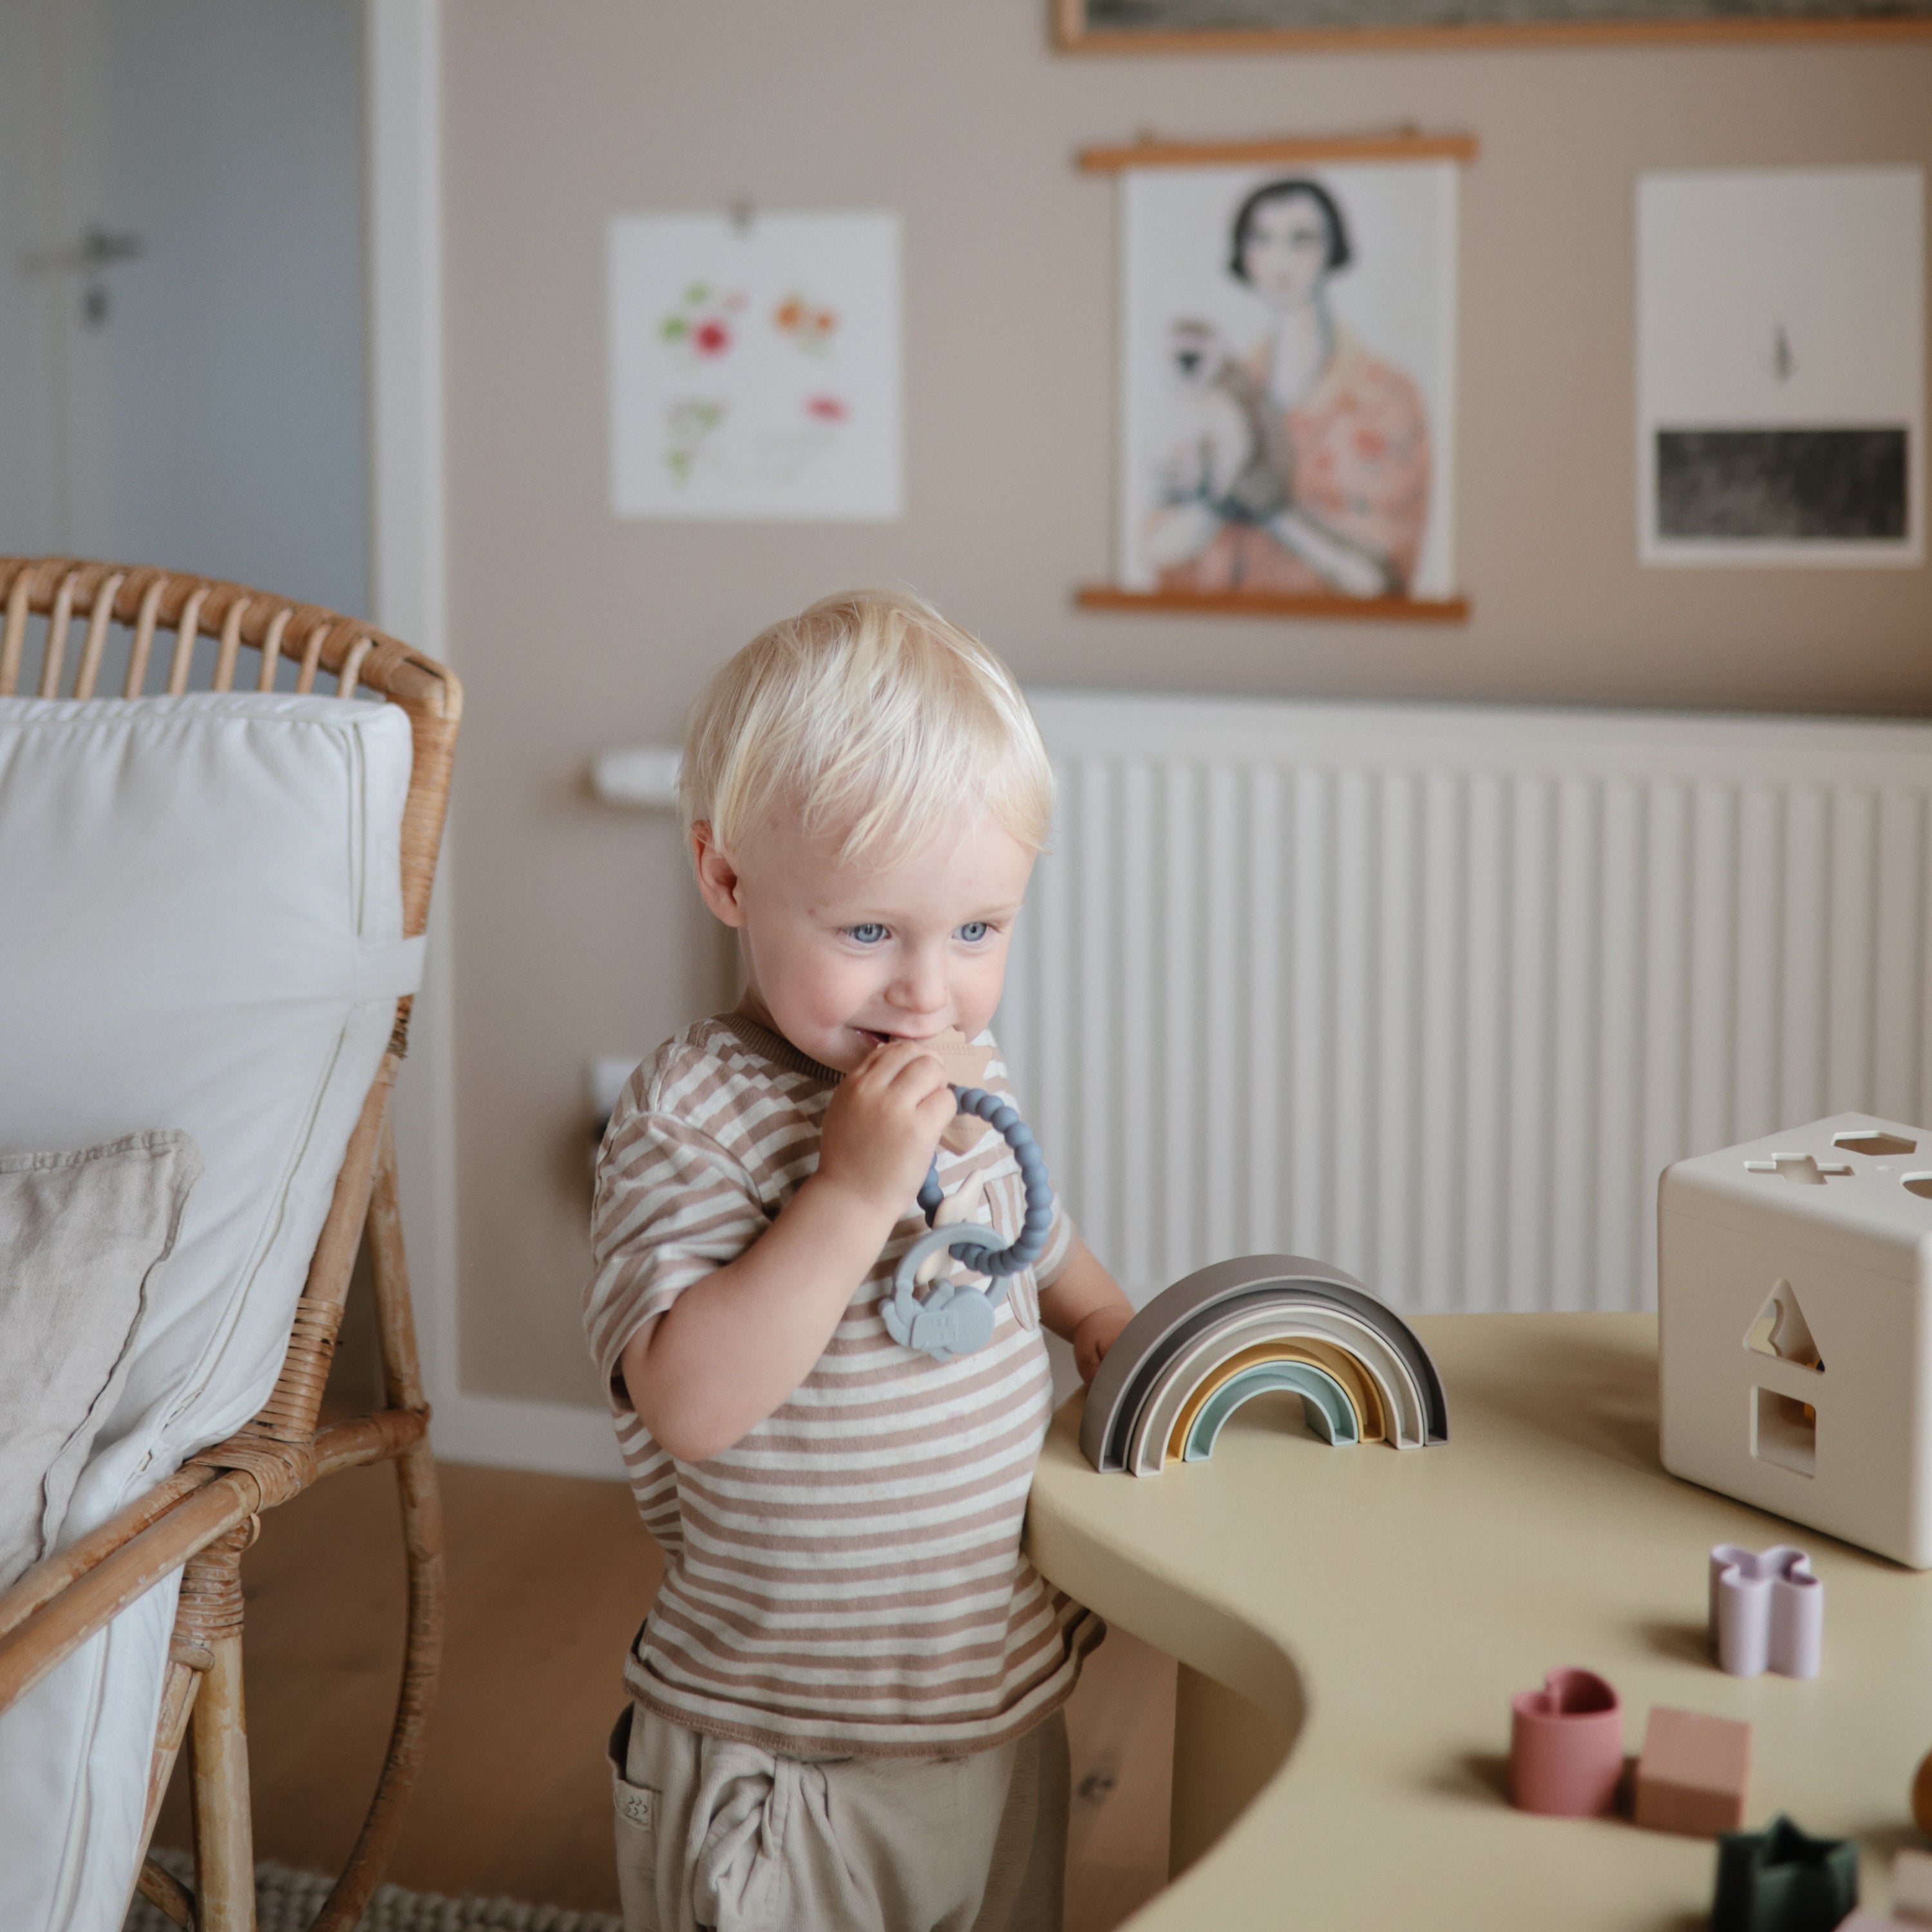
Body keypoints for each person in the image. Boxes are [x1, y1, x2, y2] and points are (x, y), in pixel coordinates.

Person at [585, 590, 1138, 1932]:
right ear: (726, 878)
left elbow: (1032, 1243)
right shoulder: (692, 1116)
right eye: (869, 933)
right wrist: (846, 1193)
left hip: (992, 1707)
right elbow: (691, 1403)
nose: (926, 993)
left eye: (976, 932)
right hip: (781, 1745)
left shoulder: (963, 1078)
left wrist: (1107, 1323)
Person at [1145, 175, 1432, 599]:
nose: (1281, 259)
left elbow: (1380, 582)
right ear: (1243, 253)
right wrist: (1210, 499)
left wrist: (1275, 511)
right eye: (1262, 239)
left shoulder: (1386, 397)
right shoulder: (1219, 390)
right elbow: (1159, 553)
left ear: (1332, 247)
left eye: (1302, 240)